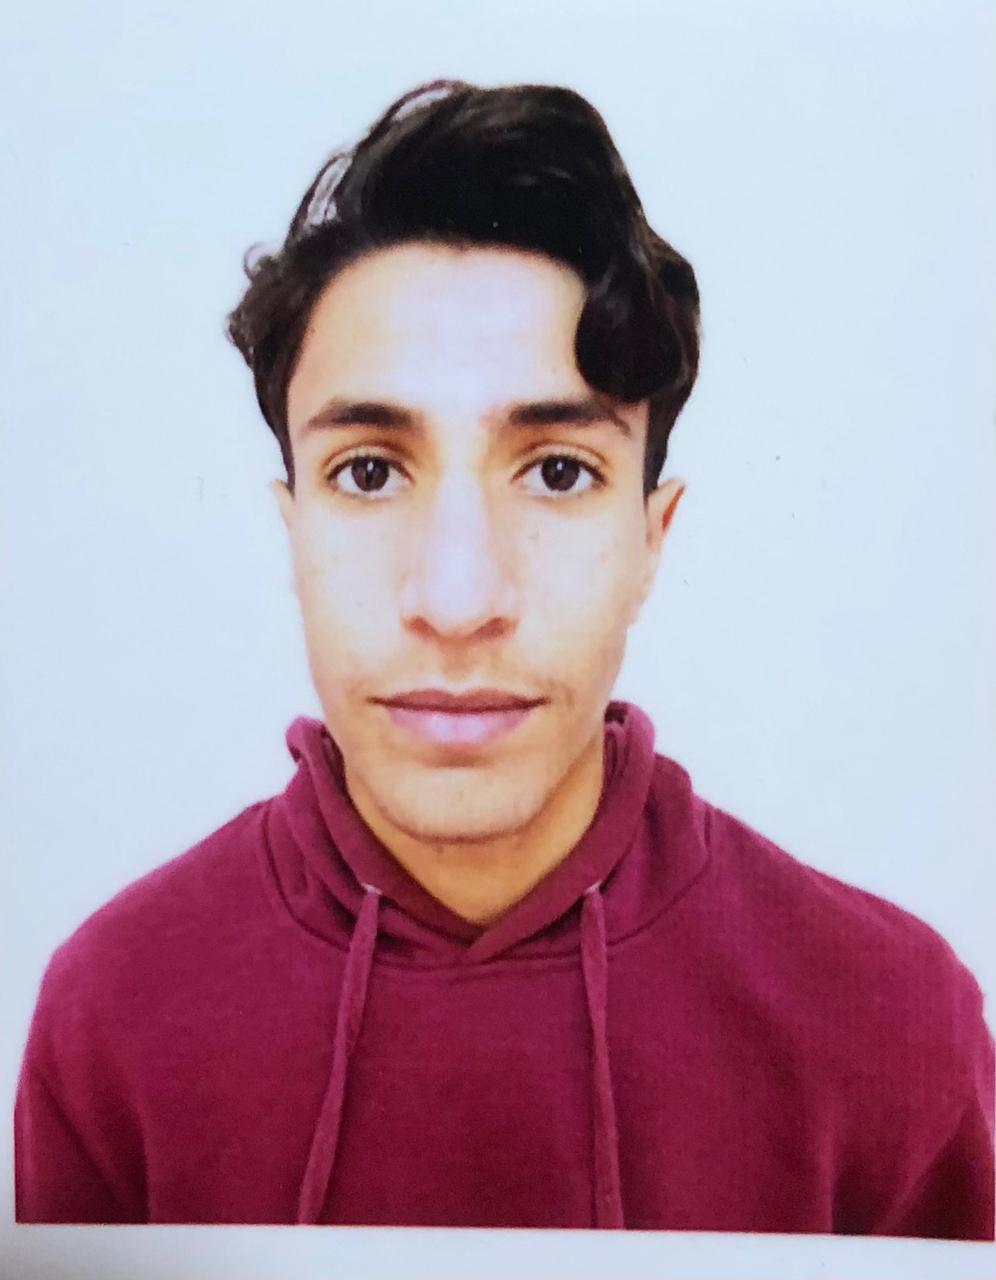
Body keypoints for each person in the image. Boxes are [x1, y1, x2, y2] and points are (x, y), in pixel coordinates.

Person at [14, 78, 994, 1236]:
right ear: (294, 529)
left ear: (651, 538)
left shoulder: (894, 1029)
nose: (459, 599)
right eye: (369, 471)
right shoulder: (113, 1016)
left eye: (559, 472)